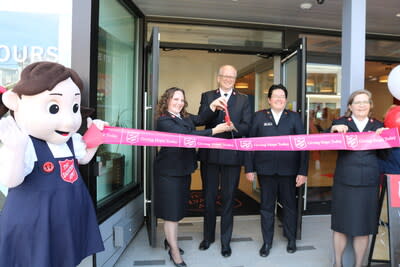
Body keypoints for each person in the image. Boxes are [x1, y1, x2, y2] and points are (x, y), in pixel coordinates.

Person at [0, 61, 106, 266]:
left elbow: (83, 159)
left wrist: (96, 140)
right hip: (35, 224)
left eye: (74, 107)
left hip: (66, 218)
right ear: (15, 102)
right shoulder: (25, 144)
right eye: (54, 107)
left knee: (64, 258)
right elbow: (11, 180)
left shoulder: (70, 141)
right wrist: (16, 148)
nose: (69, 121)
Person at [154, 87, 232, 267]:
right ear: (166, 100)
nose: (179, 103)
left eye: (181, 99)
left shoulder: (185, 117)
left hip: (184, 170)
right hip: (168, 173)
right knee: (171, 215)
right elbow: (187, 136)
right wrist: (215, 131)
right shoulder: (163, 120)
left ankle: (169, 241)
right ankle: (174, 252)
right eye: (175, 99)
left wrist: (212, 105)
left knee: (178, 210)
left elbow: (201, 119)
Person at [244, 84, 308, 257]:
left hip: (289, 172)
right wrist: (249, 168)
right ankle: (267, 242)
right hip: (265, 171)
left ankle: (291, 239)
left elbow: (303, 145)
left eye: (282, 96)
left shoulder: (294, 117)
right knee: (266, 208)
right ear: (269, 99)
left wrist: (303, 171)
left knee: (289, 207)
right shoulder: (258, 117)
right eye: (276, 96)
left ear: (286, 100)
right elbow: (250, 143)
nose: (279, 99)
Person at [197, 65, 252, 257]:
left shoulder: (244, 99)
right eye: (225, 76)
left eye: (232, 77)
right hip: (210, 155)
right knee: (209, 198)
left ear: (235, 80)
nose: (228, 79)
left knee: (228, 199)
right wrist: (212, 108)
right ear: (218, 78)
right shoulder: (207, 96)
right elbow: (201, 120)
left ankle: (225, 242)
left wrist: (233, 126)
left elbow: (247, 127)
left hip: (232, 156)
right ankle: (208, 237)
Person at [328, 89, 388, 267]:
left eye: (365, 102)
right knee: (340, 226)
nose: (361, 105)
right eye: (357, 102)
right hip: (344, 182)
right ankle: (337, 264)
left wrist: (384, 139)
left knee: (364, 228)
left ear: (370, 106)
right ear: (350, 106)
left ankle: (359, 265)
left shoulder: (378, 125)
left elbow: (385, 156)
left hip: (368, 183)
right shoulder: (339, 123)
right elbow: (325, 144)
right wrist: (333, 131)